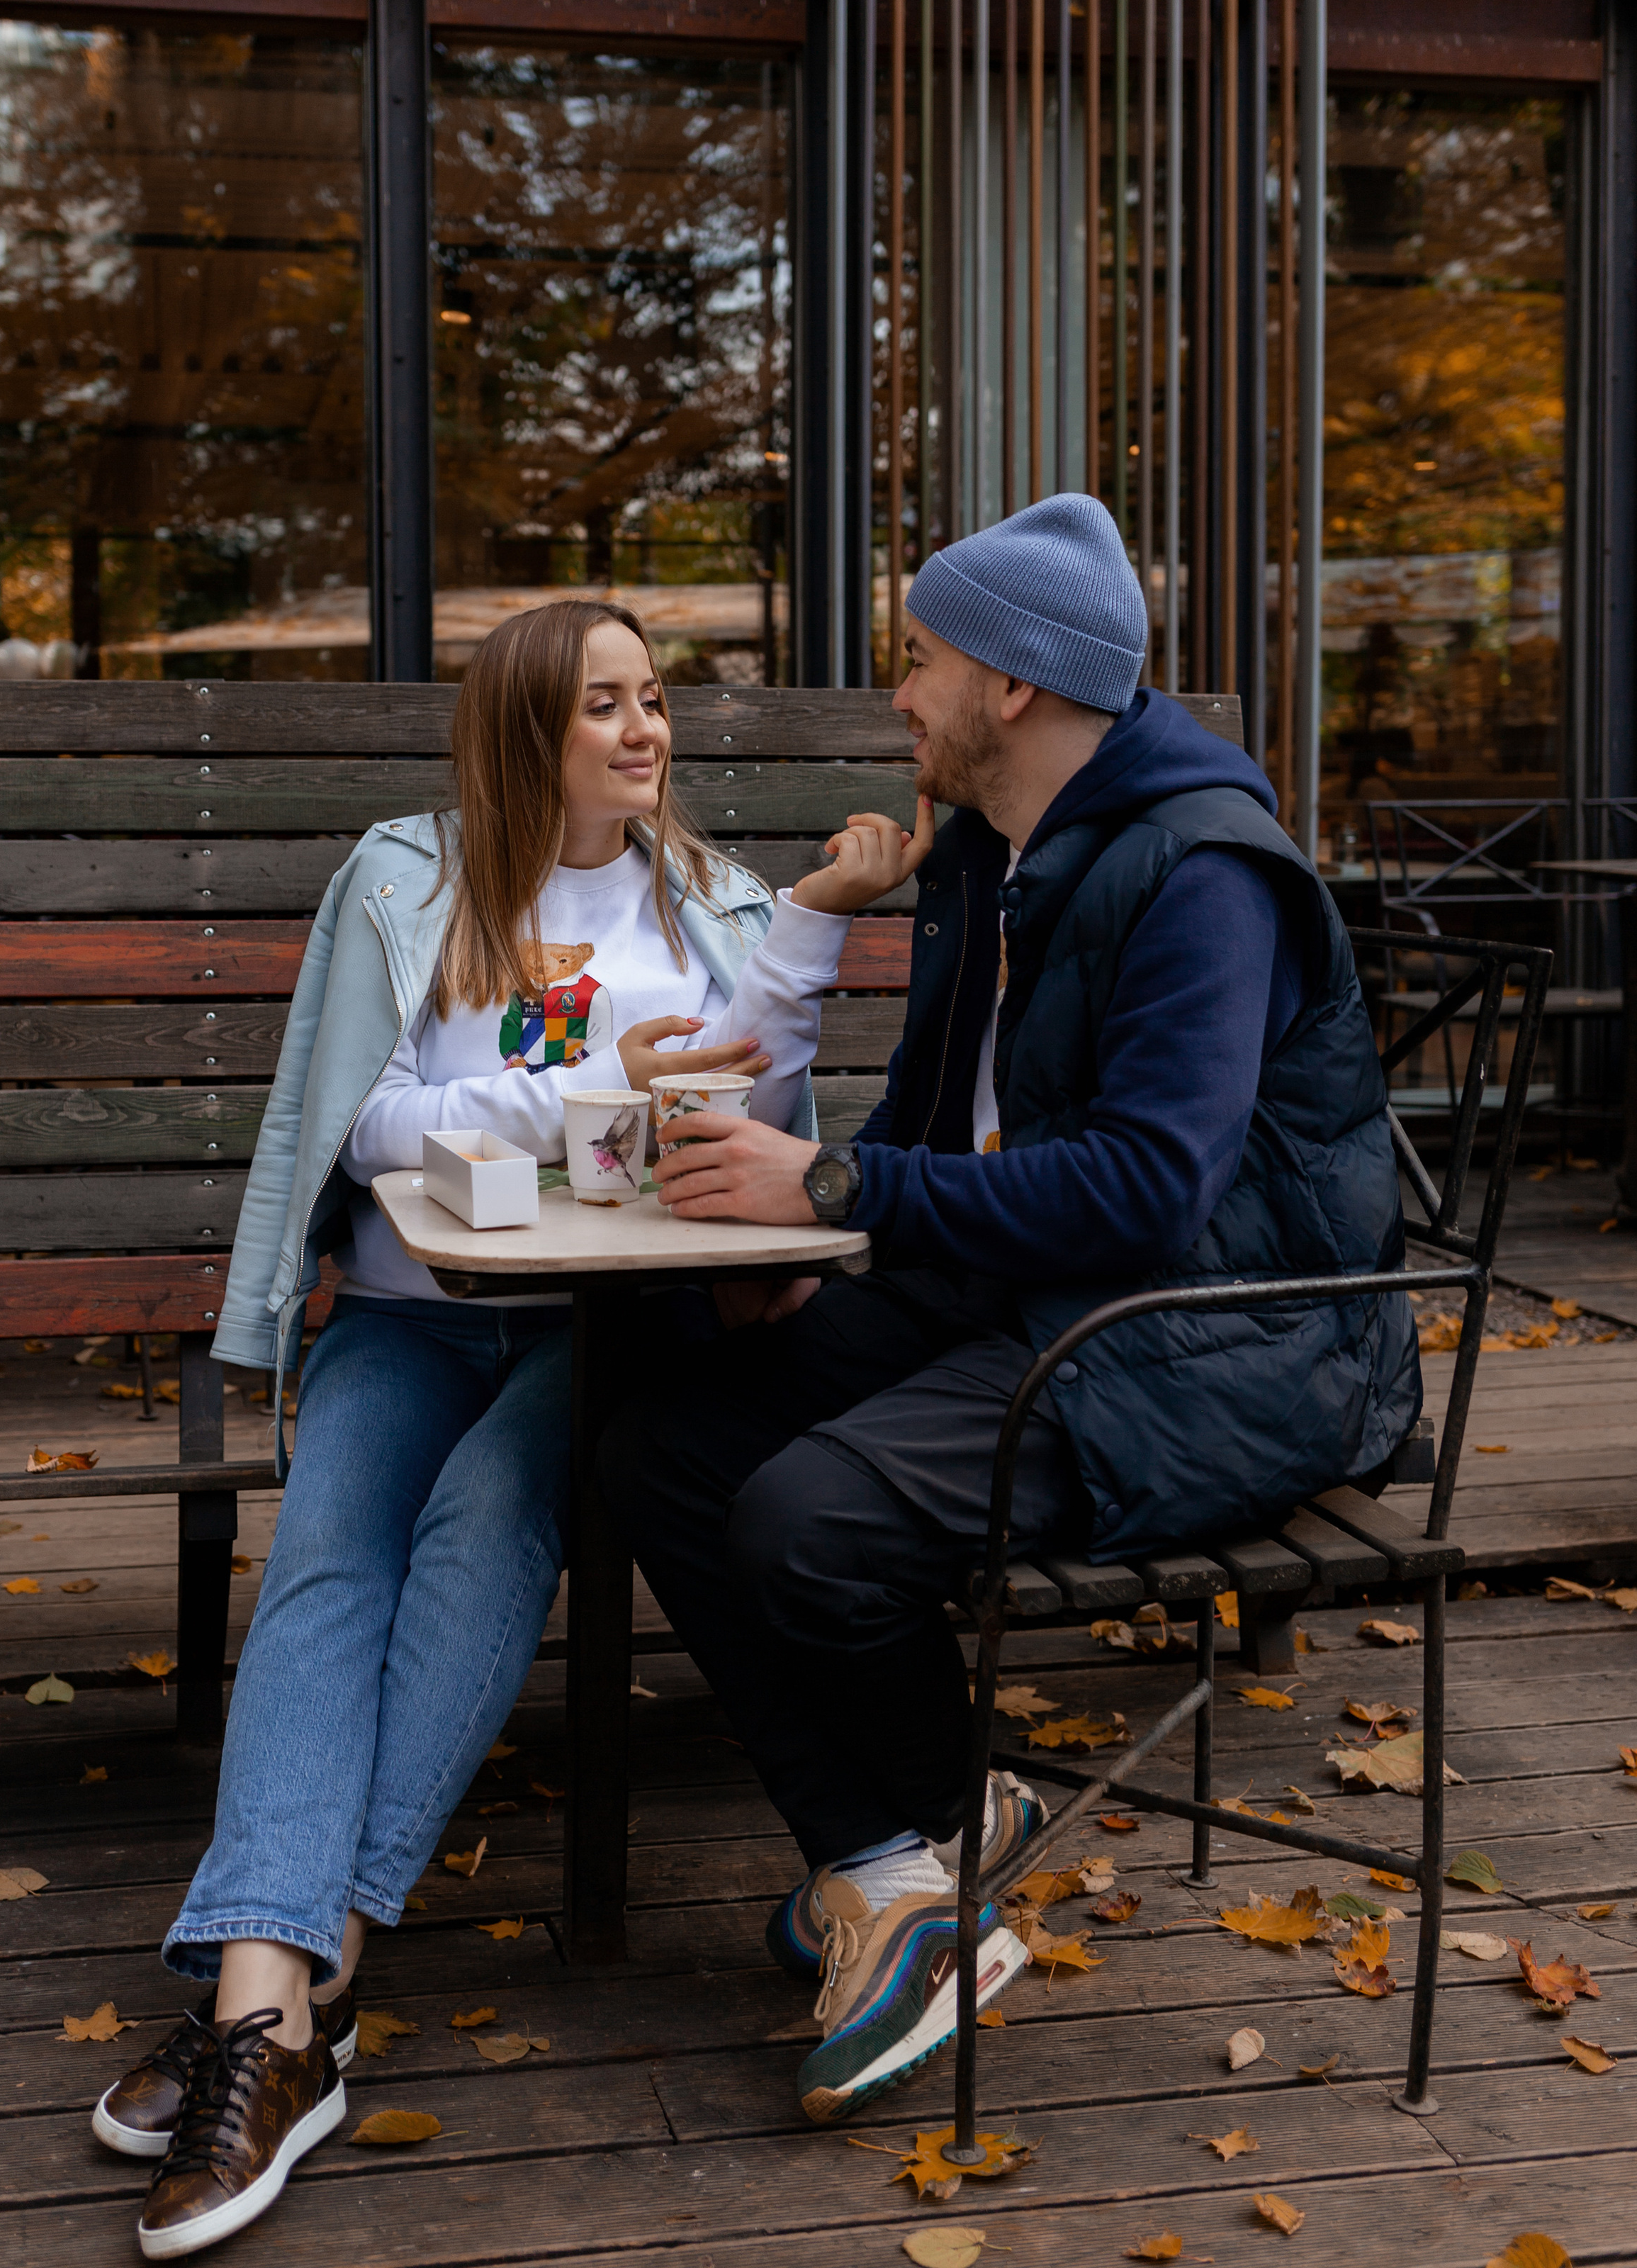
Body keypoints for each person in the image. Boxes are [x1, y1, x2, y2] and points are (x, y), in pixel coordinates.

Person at [94, 597, 932, 2261]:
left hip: (597, 1325)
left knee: (487, 1524)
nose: (644, 730)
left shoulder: (709, 899)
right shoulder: (408, 881)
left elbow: (757, 1115)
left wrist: (813, 929)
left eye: (652, 699)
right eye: (601, 705)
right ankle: (296, 1997)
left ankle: (271, 1999)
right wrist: (582, 1090)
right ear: (525, 728)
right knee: (327, 1552)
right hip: (409, 1315)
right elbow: (366, 1124)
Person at [599, 494, 1422, 2128]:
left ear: (1014, 684)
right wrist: (816, 1243)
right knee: (654, 1438)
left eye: (918, 658)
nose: (896, 691)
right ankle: (898, 1865)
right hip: (1039, 1296)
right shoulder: (984, 852)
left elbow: (1146, 1191)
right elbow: (927, 1122)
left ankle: (917, 1860)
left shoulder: (1203, 874)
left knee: (803, 1521)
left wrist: (833, 1191)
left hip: (1225, 1341)